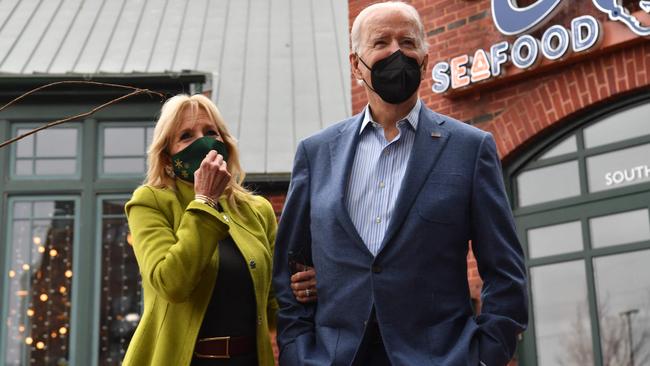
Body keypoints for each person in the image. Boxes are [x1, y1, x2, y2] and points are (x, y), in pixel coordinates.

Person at [272, 2, 528, 365]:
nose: (396, 52)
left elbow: (505, 272)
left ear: (424, 60)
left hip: (441, 356)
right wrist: (298, 353)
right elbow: (289, 272)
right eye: (381, 42)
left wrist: (485, 354)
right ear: (355, 63)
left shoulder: (470, 149)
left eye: (407, 42)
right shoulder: (316, 154)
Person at [121, 94, 308, 366]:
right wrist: (205, 201)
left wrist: (308, 291)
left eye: (211, 132)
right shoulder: (150, 202)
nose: (204, 142)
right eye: (186, 136)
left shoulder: (257, 210)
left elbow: (274, 307)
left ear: (227, 145)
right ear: (167, 158)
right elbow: (171, 283)